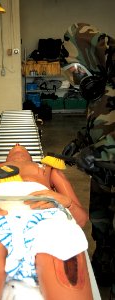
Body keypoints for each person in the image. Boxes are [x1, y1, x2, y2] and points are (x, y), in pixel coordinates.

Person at [0, 144, 93, 300]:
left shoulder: (47, 169)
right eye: (13, 146)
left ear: (32, 157)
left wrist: (66, 202)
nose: (17, 145)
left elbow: (81, 219)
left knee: (68, 273)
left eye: (21, 145)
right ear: (5, 158)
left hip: (47, 219)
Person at [60, 23, 115, 299]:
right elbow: (101, 122)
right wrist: (80, 142)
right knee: (102, 223)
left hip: (109, 166)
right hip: (105, 177)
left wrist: (100, 154)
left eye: (76, 72)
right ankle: (104, 263)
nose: (77, 80)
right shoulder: (104, 84)